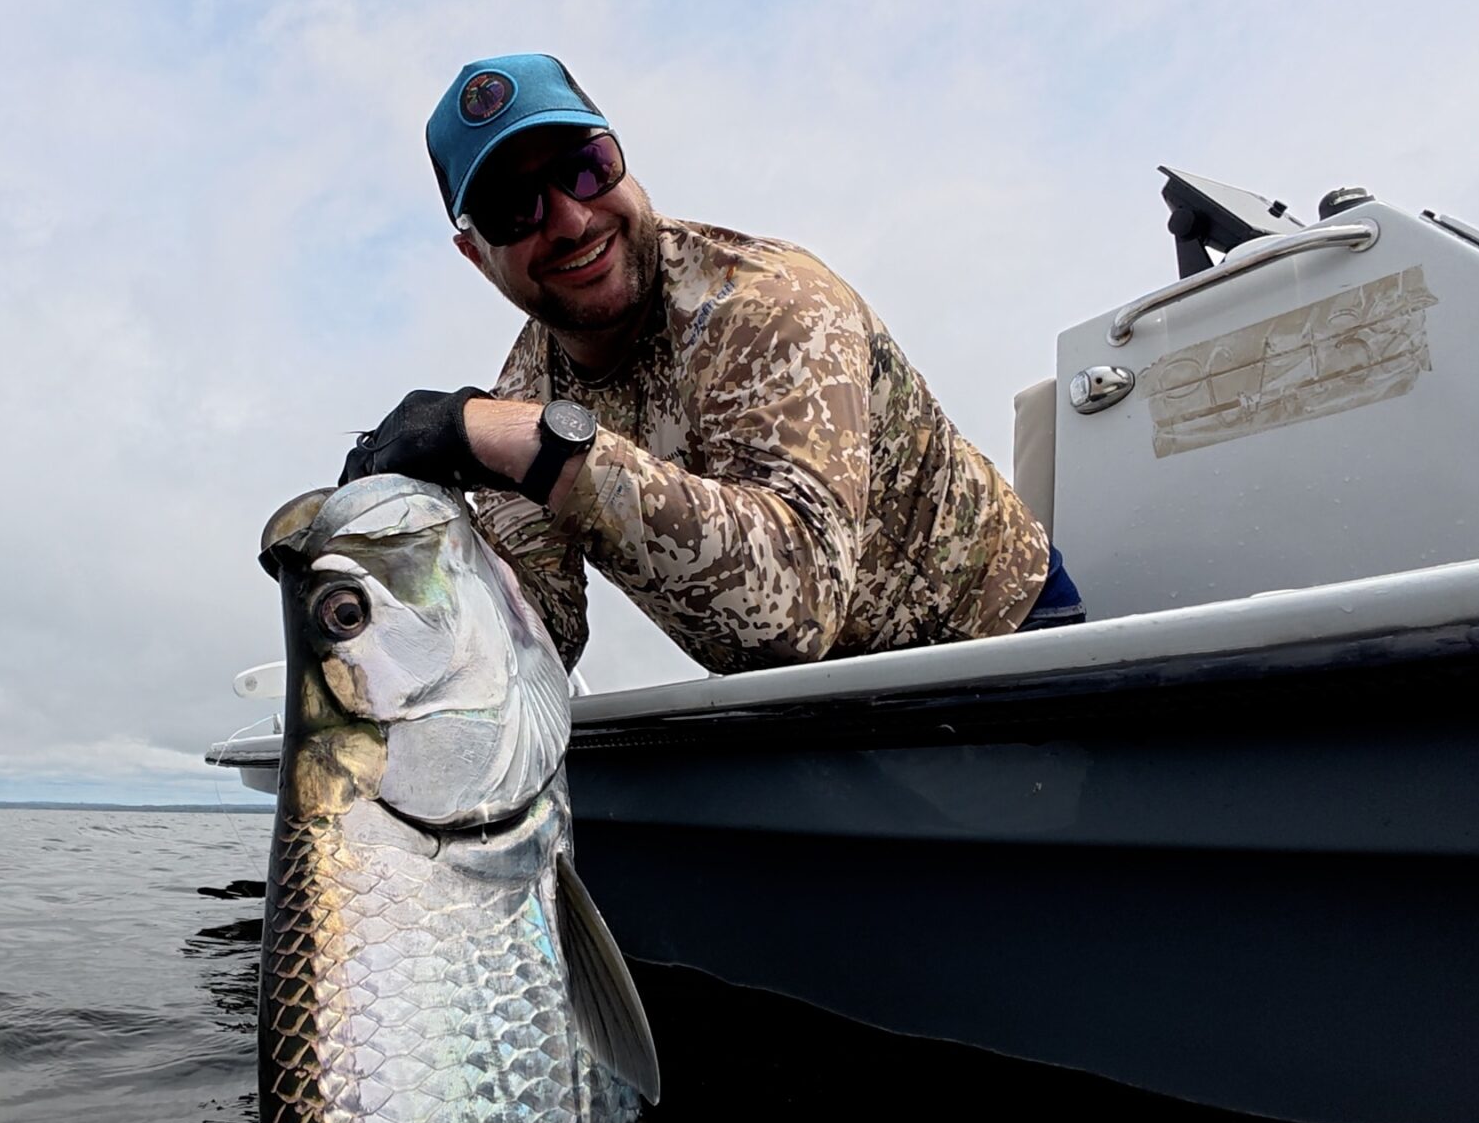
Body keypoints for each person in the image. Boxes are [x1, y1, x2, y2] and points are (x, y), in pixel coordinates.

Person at [341, 53, 1079, 674]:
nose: (571, 219)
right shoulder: (522, 399)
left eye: (586, 169)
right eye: (513, 209)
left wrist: (535, 447)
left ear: (623, 164)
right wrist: (393, 558)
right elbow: (541, 628)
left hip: (1006, 646)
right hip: (817, 702)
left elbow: (795, 609)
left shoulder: (769, 303)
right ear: (476, 255)